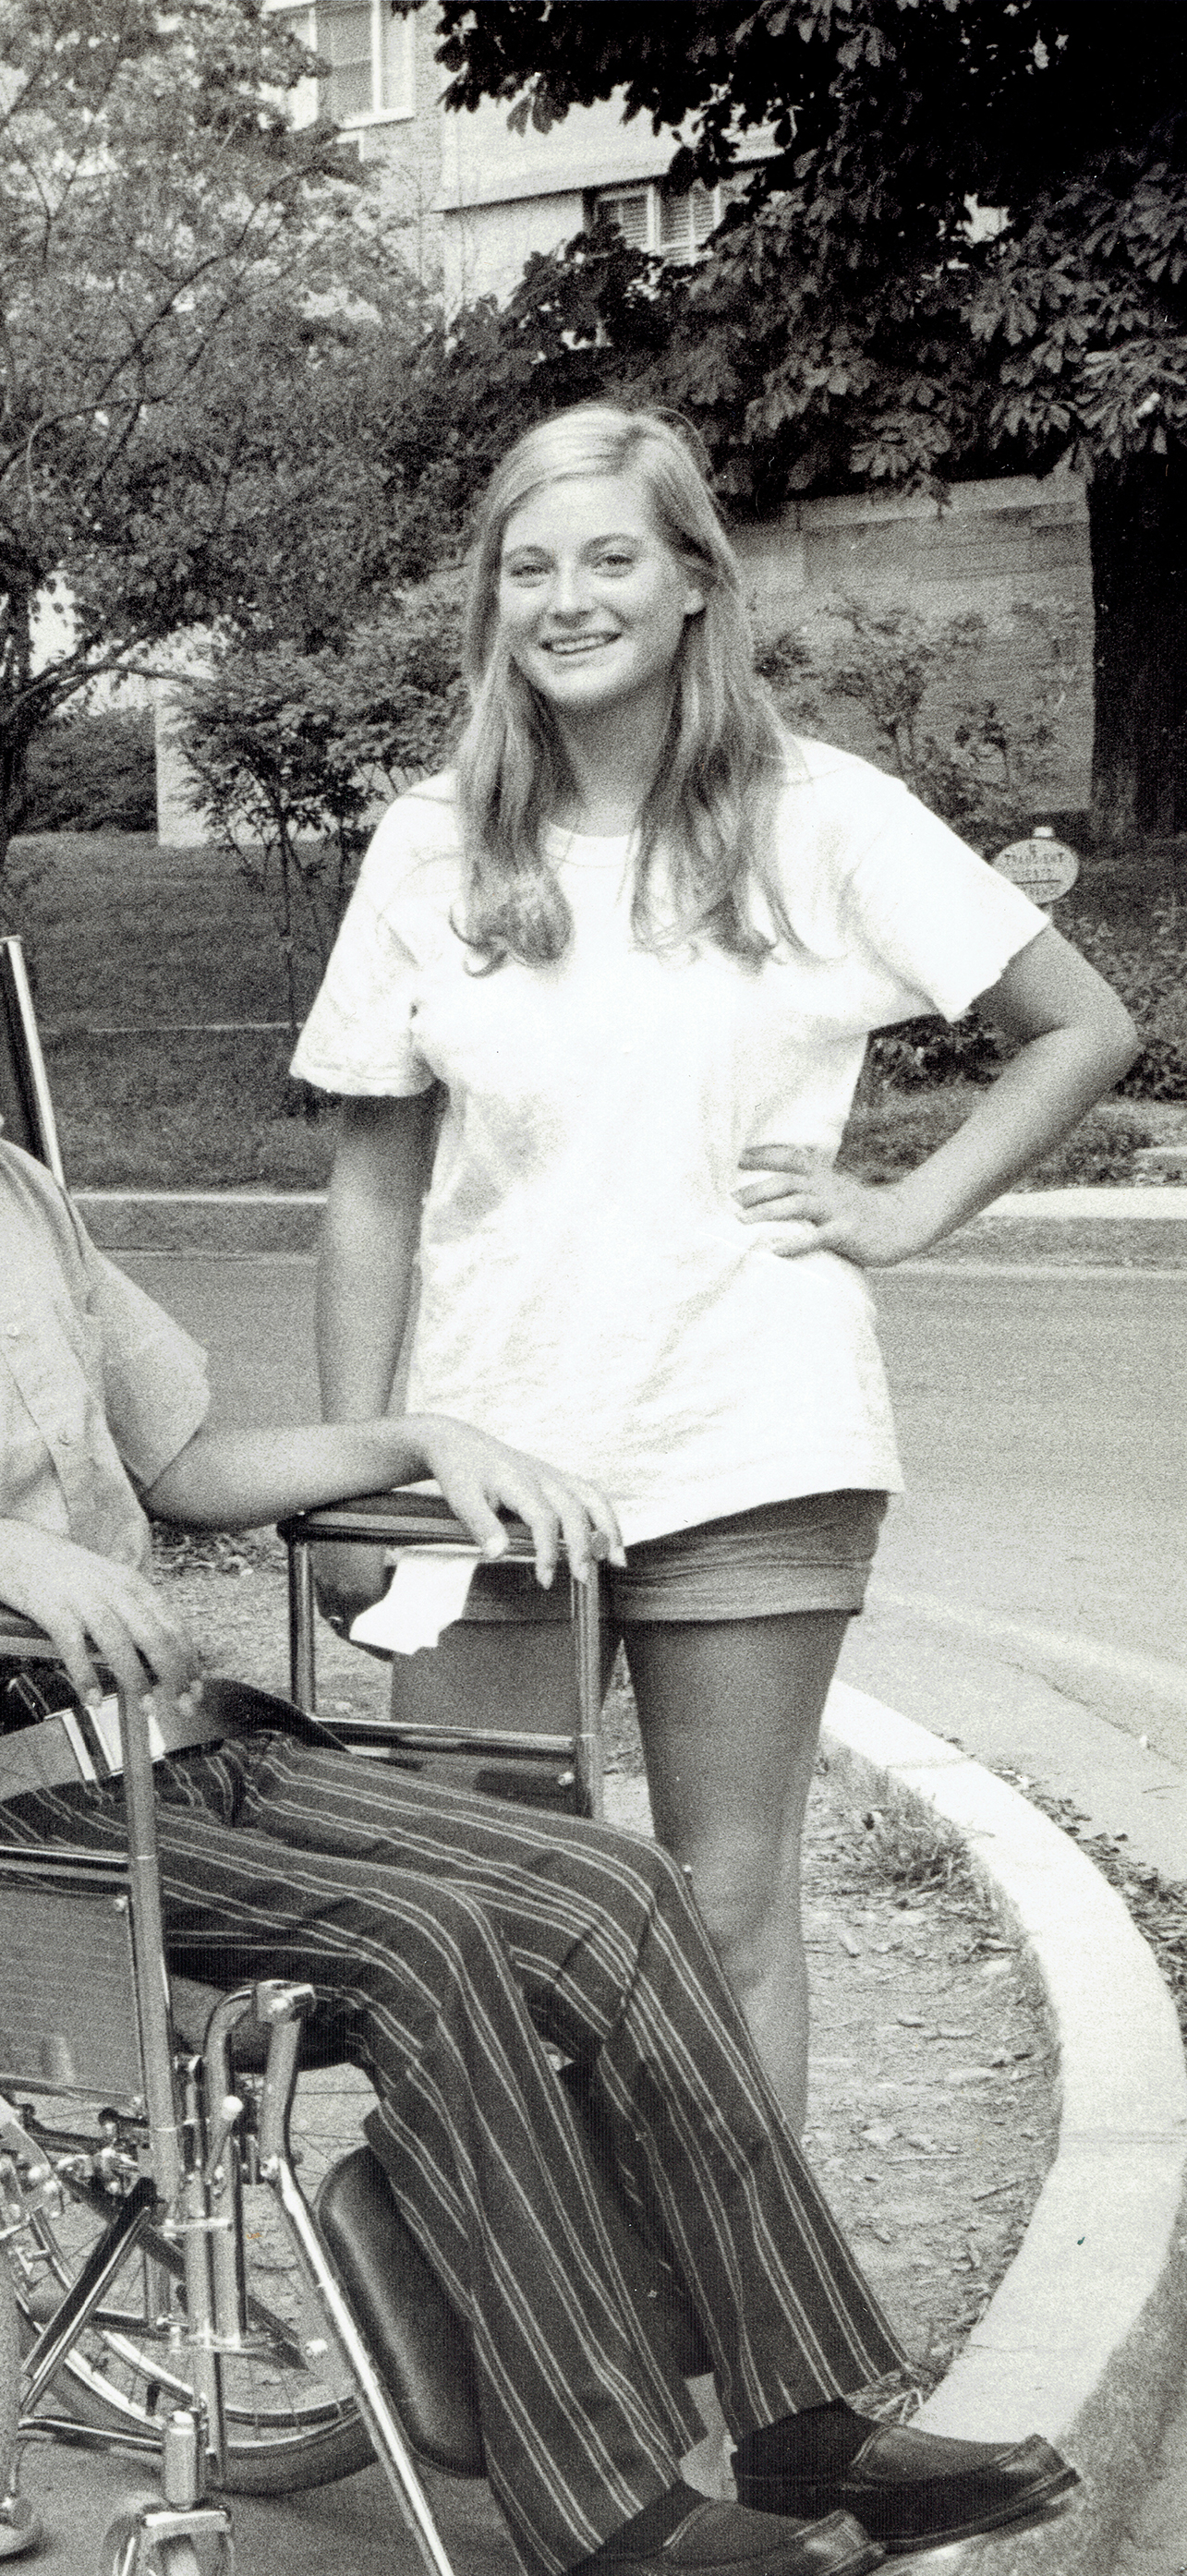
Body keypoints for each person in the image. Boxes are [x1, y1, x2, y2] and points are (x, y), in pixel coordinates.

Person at [0, 730, 1077, 2576]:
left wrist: (421, 1433)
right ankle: (603, 2520)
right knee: (436, 1938)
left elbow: (187, 1463)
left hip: (163, 1756)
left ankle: (803, 2431)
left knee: (615, 1889)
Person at [294, 403, 1137, 2128]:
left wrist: (905, 1207)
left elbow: (1081, 1025)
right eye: (530, 567)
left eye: (612, 557)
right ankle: (528, 2359)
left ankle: (751, 2376)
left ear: (694, 581)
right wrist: (352, 1469)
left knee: (727, 1901)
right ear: (493, 603)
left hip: (748, 1439)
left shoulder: (822, 816)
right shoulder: (429, 844)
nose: (569, 599)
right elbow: (371, 1185)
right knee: (482, 1922)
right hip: (489, 1467)